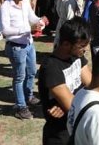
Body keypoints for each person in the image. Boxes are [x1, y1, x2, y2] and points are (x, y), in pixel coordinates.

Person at [38, 17, 92, 145]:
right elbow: (76, 108)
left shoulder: (76, 56)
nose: (86, 49)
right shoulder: (51, 67)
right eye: (82, 46)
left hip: (77, 132)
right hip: (60, 137)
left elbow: (93, 86)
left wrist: (66, 104)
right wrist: (70, 103)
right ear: (66, 44)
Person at [0, 0, 47, 120]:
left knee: (32, 72)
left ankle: (29, 96)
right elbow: (5, 30)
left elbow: (31, 16)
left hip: (28, 44)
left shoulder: (25, 1)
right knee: (19, 77)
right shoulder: (5, 7)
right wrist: (27, 28)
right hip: (16, 47)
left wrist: (39, 22)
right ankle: (21, 106)